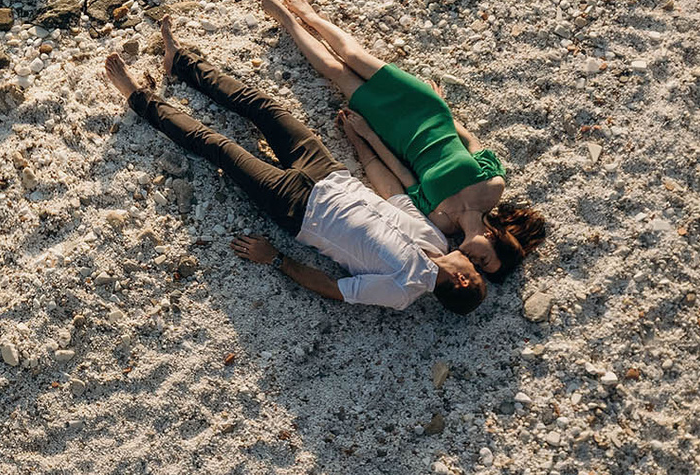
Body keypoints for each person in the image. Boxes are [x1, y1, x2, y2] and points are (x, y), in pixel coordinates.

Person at [101, 16, 488, 314]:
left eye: (474, 271)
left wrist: (276, 259)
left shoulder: (402, 290)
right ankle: (180, 62)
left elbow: (334, 289)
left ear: (463, 282)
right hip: (331, 173)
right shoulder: (437, 239)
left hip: (297, 208)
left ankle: (137, 97)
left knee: (216, 146)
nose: (472, 262)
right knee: (263, 107)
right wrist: (360, 141)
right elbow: (393, 196)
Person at [259, 0, 545, 279]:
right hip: (428, 111)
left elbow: (402, 174)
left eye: (479, 268)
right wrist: (444, 109)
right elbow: (471, 142)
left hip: (395, 135)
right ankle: (309, 15)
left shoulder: (442, 223)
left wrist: (367, 136)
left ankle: (285, 19)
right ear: (494, 239)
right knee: (354, 55)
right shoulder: (493, 187)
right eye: (485, 260)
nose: (476, 262)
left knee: (337, 71)